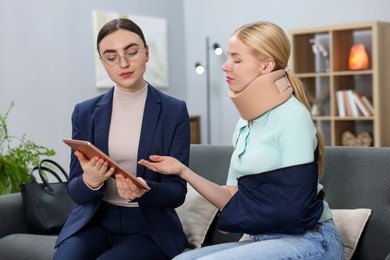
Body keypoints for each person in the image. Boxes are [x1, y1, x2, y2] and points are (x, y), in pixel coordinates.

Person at [139, 21, 345, 259]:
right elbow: (230, 197)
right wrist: (183, 171)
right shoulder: (245, 123)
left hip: (311, 240)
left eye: (236, 59)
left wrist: (238, 216)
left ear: (266, 66)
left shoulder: (293, 117)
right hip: (263, 238)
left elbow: (296, 208)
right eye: (228, 58)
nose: (226, 67)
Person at [53, 18, 190, 260]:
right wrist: (91, 181)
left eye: (132, 52)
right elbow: (76, 191)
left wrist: (144, 191)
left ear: (146, 53)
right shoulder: (84, 112)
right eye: (112, 57)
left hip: (148, 228)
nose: (124, 63)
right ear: (103, 63)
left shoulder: (173, 111)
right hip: (94, 222)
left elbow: (177, 193)